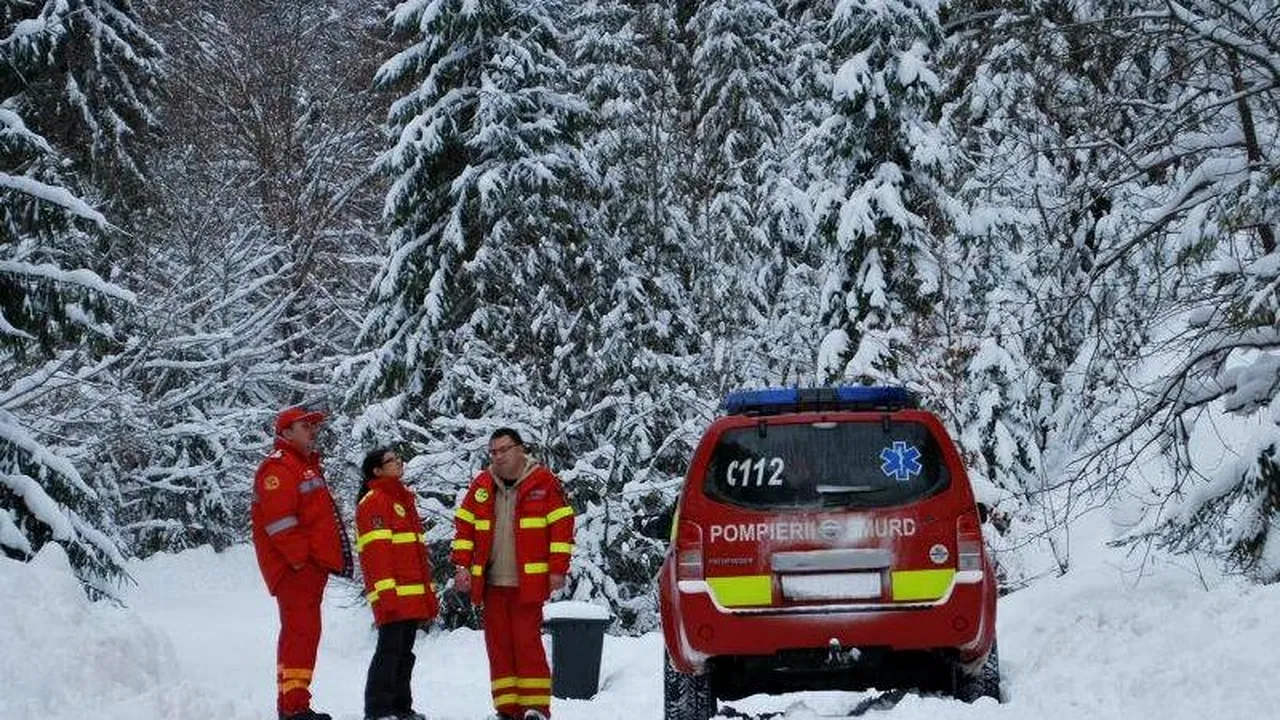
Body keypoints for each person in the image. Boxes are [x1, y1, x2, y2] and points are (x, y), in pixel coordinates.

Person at [452, 429, 575, 720]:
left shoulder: (544, 483)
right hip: (492, 583)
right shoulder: (481, 485)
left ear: (520, 449)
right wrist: (462, 565)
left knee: (527, 645)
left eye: (503, 450)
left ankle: (536, 709)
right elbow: (464, 528)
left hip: (527, 584)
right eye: (493, 452)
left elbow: (562, 528)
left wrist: (558, 569)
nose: (497, 457)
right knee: (499, 648)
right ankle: (506, 709)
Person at [251, 406, 352, 720]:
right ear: (286, 432)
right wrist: (302, 561)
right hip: (297, 569)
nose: (313, 430)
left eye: (314, 425)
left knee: (299, 635)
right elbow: (279, 522)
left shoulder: (301, 466)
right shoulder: (280, 468)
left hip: (306, 568)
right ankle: (296, 709)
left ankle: (290, 706)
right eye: (305, 425)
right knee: (302, 635)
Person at [355, 447, 439, 720]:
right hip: (393, 594)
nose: (399, 462)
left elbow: (413, 554)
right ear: (377, 470)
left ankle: (401, 708)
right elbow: (377, 553)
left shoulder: (401, 500)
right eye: (391, 460)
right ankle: (378, 710)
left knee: (404, 654)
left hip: (410, 594)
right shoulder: (374, 501)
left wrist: (426, 594)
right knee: (389, 652)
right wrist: (386, 593)